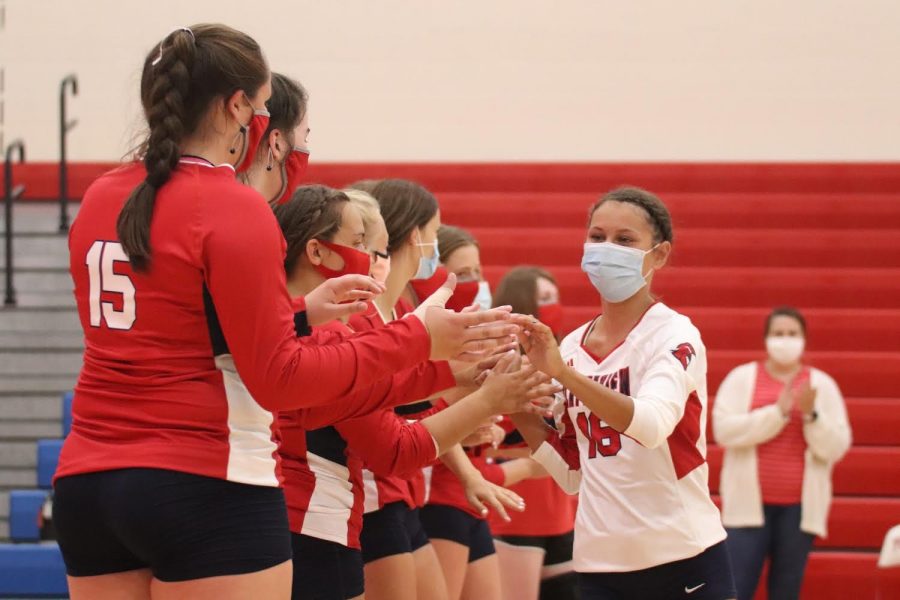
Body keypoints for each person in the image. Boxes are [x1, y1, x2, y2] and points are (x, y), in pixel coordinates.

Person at [53, 25, 518, 600]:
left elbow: (180, 327)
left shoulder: (102, 194)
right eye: (267, 106)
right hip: (205, 478)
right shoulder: (232, 204)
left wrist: (298, 315)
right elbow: (279, 380)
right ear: (237, 106)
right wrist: (417, 340)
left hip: (89, 483)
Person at [271, 185, 557, 600]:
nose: (370, 261)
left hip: (333, 507)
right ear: (317, 252)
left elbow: (383, 396)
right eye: (360, 245)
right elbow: (392, 446)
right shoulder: (332, 329)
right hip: (322, 509)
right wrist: (483, 398)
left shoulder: (309, 321)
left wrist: (460, 376)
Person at [509, 187, 737, 600]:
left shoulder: (674, 335)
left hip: (682, 555)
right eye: (597, 237)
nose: (607, 249)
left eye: (625, 240)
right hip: (600, 564)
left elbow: (650, 426)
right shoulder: (572, 347)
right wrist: (513, 407)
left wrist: (562, 374)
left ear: (660, 254)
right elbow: (573, 474)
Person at [350, 179, 527, 600]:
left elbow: (412, 403)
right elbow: (392, 409)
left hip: (406, 486)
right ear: (416, 236)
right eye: (435, 231)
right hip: (376, 488)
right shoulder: (368, 313)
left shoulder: (404, 309)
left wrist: (472, 397)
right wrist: (475, 398)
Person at [420, 227, 546, 600]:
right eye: (466, 272)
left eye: (479, 270)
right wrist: (524, 468)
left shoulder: (480, 338)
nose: (478, 281)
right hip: (440, 497)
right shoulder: (432, 343)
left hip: (468, 500)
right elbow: (428, 425)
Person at [713, 306, 851, 600]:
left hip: (798, 509)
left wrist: (811, 415)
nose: (785, 340)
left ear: (804, 339)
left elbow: (835, 447)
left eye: (792, 334)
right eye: (778, 333)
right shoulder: (741, 378)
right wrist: (778, 413)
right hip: (747, 507)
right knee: (737, 588)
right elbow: (723, 430)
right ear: (766, 339)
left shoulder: (822, 385)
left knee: (786, 590)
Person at [488, 266, 579, 600]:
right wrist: (529, 460)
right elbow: (484, 441)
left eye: (556, 297)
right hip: (516, 511)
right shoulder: (499, 360)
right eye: (544, 298)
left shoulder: (567, 358)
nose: (553, 306)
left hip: (561, 508)